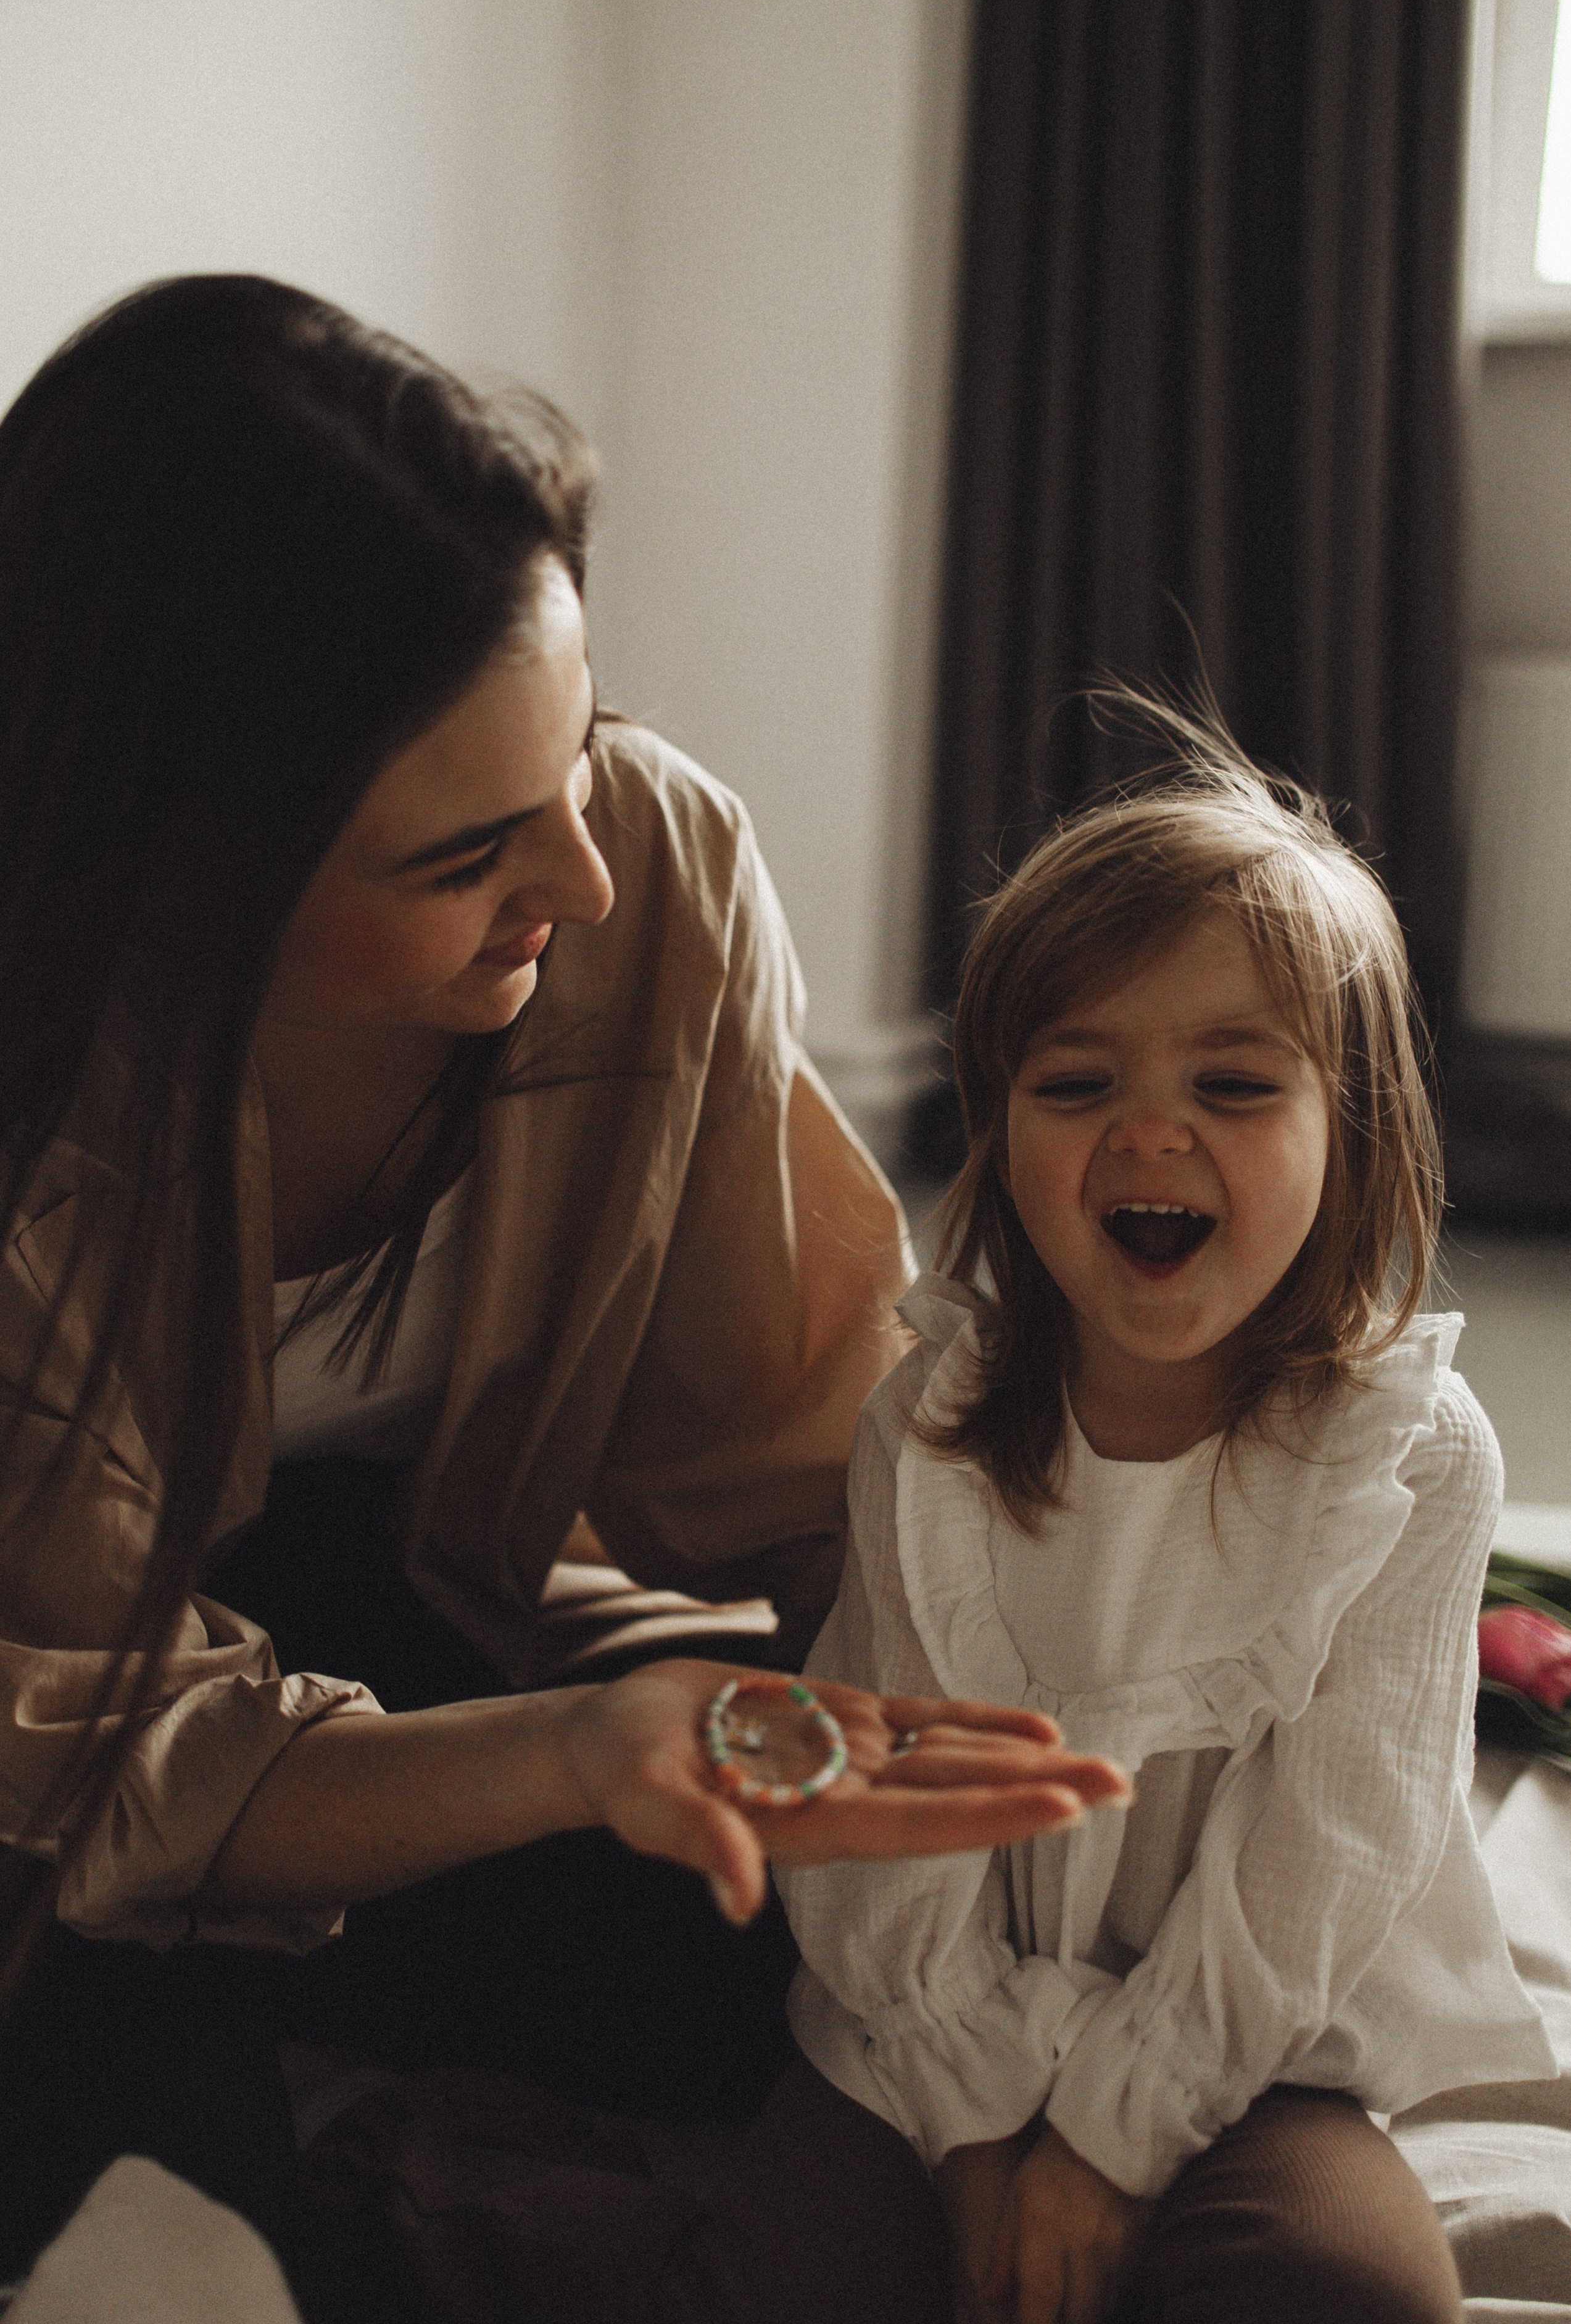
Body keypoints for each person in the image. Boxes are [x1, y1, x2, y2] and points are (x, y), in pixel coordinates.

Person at [0, 274, 1127, 2317]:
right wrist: (567, 1757)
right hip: (51, 1748)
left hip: (400, 1623)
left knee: (796, 1940)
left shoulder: (655, 876)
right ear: (185, 864)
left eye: (574, 771)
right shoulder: (42, 1076)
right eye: (471, 855)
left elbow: (805, 1461)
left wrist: (982, 1869)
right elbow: (98, 1758)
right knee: (113, 2081)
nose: (584, 884)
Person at [778, 707, 1560, 2324]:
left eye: (1231, 1081)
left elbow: (1324, 1860)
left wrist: (1111, 2145)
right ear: (997, 1141)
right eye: (1078, 1082)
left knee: (1348, 2284)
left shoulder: (1411, 1462)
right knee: (807, 2267)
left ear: (1352, 1143)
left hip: (1250, 2050)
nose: (1151, 1130)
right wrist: (986, 2138)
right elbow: (881, 1816)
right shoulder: (923, 1433)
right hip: (943, 2020)